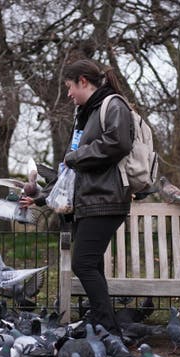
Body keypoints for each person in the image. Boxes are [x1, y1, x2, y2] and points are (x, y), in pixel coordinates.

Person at [19, 59, 133, 335]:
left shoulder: (112, 105)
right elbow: (69, 172)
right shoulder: (85, 114)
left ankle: (107, 328)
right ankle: (105, 328)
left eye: (69, 86)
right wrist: (42, 197)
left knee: (81, 262)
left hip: (106, 199)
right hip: (88, 200)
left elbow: (119, 143)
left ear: (83, 81)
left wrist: (76, 156)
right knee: (91, 264)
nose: (68, 93)